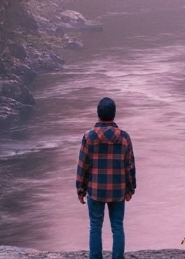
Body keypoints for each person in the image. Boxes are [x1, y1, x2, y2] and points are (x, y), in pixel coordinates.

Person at [75, 96, 136, 259]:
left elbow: (83, 165)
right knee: (117, 226)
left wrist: (80, 189)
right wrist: (131, 189)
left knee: (95, 226)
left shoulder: (89, 137)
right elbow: (129, 165)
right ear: (114, 114)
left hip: (95, 190)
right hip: (118, 190)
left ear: (98, 114)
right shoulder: (124, 137)